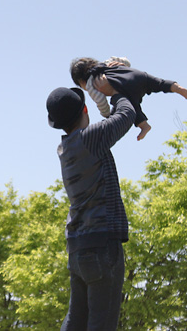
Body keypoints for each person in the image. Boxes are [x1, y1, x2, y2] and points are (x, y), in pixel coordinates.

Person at [46, 77, 135, 330]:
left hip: (77, 248)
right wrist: (116, 90)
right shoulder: (90, 139)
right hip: (102, 246)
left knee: (76, 320)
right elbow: (126, 115)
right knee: (101, 323)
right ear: (85, 110)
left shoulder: (65, 148)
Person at [70, 56, 187, 140]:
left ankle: (144, 126)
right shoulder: (107, 63)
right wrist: (124, 65)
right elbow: (125, 60)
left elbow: (101, 102)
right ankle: (177, 88)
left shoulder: (92, 84)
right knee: (158, 83)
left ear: (81, 81)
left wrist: (107, 115)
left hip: (126, 89)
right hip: (137, 75)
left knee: (133, 107)